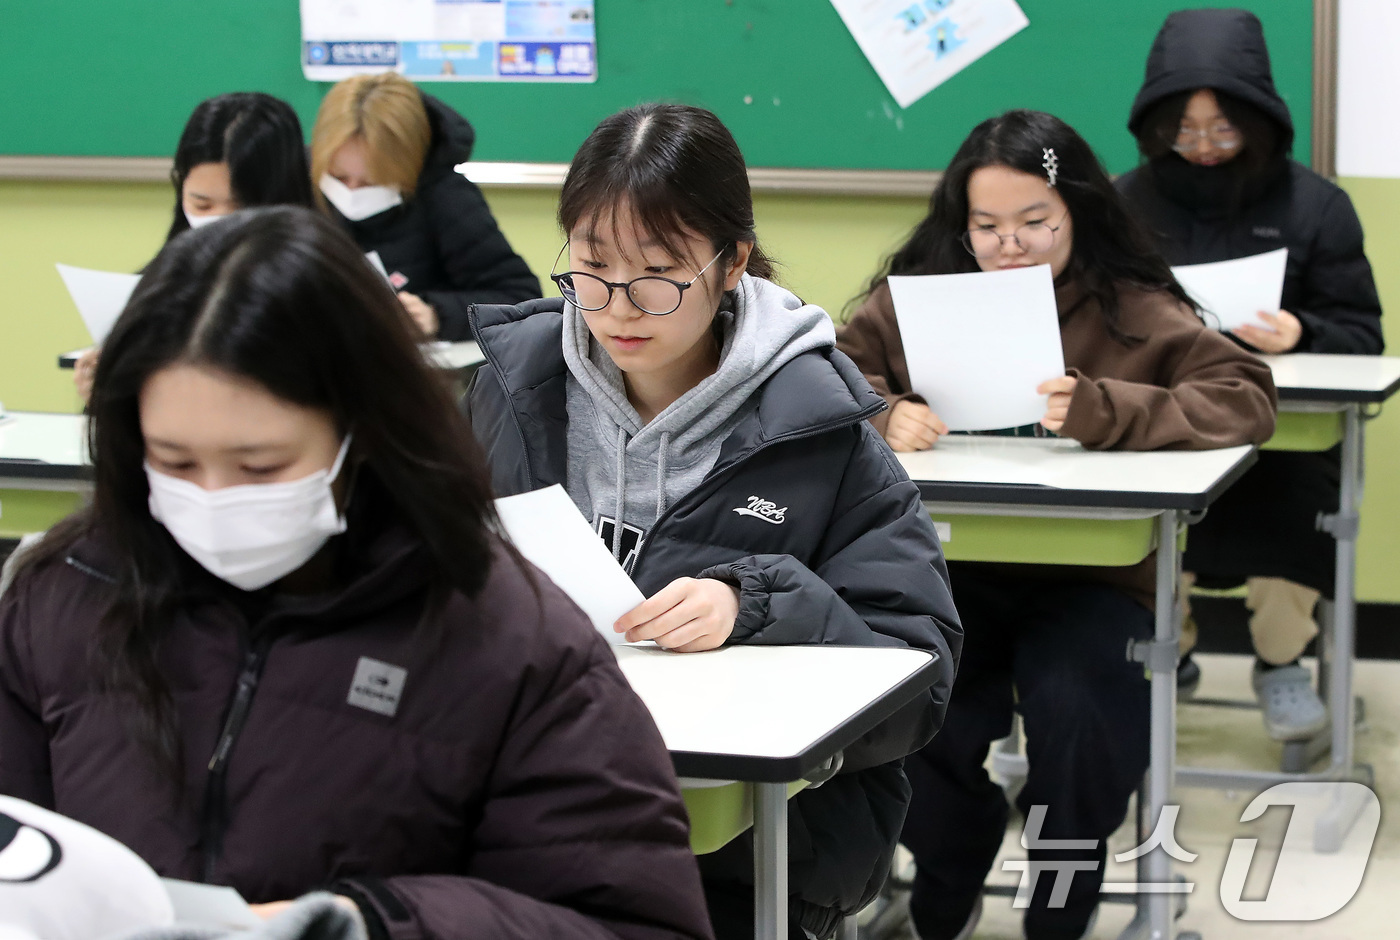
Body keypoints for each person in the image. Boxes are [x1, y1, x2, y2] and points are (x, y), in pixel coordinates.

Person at [2, 207, 713, 940]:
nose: (211, 499)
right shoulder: (61, 597)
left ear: (363, 434)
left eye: (261, 466)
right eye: (174, 462)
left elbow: (636, 924)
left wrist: (372, 924)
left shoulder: (507, 638)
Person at [467, 103, 961, 940]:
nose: (618, 307)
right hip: (530, 807)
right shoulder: (510, 394)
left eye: (658, 276)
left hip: (740, 849)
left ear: (731, 264)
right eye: (591, 267)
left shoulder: (820, 429)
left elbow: (921, 671)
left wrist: (757, 604)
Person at [837, 109, 1276, 940]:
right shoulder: (918, 298)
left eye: (1036, 222)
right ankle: (948, 871)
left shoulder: (1133, 308)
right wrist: (884, 410)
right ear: (960, 225)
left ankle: (1059, 905)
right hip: (947, 575)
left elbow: (1246, 397)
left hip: (1094, 582)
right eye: (987, 226)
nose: (1011, 245)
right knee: (915, 710)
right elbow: (827, 379)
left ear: (1077, 211)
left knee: (1081, 716)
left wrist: (1110, 408)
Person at [1117, 7, 1384, 738]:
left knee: (1296, 530)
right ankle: (1178, 652)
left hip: (1281, 449)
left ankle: (1281, 663)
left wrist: (1303, 332)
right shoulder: (1125, 202)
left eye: (1223, 128)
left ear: (1260, 119)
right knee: (1143, 534)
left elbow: (1364, 333)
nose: (1203, 146)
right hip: (1167, 438)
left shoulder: (1317, 207)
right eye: (1185, 129)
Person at [73, 92, 315, 403]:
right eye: (201, 204)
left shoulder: (322, 285)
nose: (220, 223)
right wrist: (106, 394)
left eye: (241, 207)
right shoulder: (157, 283)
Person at [310, 73, 541, 341]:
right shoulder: (300, 181)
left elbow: (519, 298)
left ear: (406, 167)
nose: (350, 192)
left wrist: (436, 315)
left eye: (371, 182)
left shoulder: (446, 198)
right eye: (338, 178)